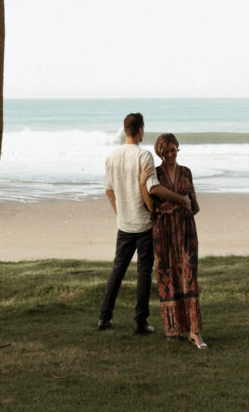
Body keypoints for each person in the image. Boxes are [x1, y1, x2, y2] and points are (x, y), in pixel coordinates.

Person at [98, 112, 191, 335]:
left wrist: (120, 213)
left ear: (125, 130)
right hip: (144, 225)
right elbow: (153, 188)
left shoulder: (112, 156)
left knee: (117, 270)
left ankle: (104, 317)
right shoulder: (144, 156)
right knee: (143, 272)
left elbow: (109, 190)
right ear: (140, 130)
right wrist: (181, 199)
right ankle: (140, 322)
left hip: (124, 224)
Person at [140, 132, 207, 349]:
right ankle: (173, 328)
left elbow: (193, 204)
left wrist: (178, 208)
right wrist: (144, 185)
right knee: (167, 276)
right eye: (165, 151)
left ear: (178, 148)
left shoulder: (186, 172)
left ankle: (195, 331)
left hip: (186, 230)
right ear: (159, 153)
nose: (170, 154)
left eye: (173, 150)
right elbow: (149, 204)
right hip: (163, 232)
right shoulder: (155, 174)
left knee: (189, 276)